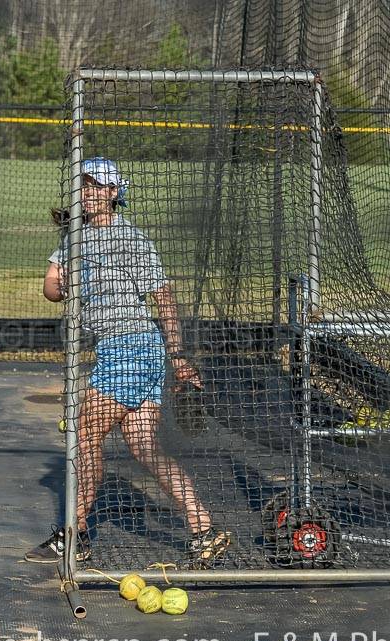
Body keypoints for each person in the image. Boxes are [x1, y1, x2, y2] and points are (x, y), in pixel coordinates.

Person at [25, 157, 230, 569]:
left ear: (115, 193)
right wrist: (58, 286)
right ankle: (204, 529)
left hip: (133, 348)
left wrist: (177, 356)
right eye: (84, 185)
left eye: (98, 186)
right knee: (144, 449)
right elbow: (50, 283)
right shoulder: (74, 237)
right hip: (121, 351)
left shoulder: (131, 241)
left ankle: (75, 535)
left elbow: (164, 298)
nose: (89, 193)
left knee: (84, 435)